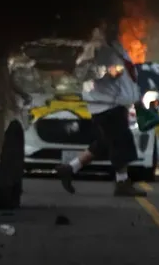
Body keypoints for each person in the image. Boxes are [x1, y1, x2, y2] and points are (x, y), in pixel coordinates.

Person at [60, 30, 140, 197]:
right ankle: (122, 183)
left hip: (114, 104)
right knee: (121, 142)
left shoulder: (114, 47)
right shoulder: (94, 49)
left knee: (104, 144)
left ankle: (70, 168)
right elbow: (85, 71)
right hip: (106, 106)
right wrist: (108, 72)